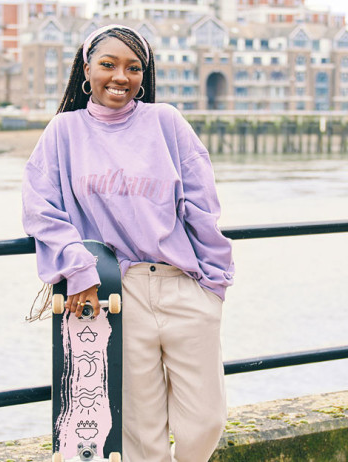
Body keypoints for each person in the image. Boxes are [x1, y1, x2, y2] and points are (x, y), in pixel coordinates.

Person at [21, 24, 234, 462]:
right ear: (86, 69)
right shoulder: (64, 132)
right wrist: (79, 269)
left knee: (206, 420)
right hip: (117, 294)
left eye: (133, 68)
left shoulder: (166, 122)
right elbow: (38, 208)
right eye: (108, 64)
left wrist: (215, 286)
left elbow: (202, 205)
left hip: (184, 286)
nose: (121, 76)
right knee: (140, 433)